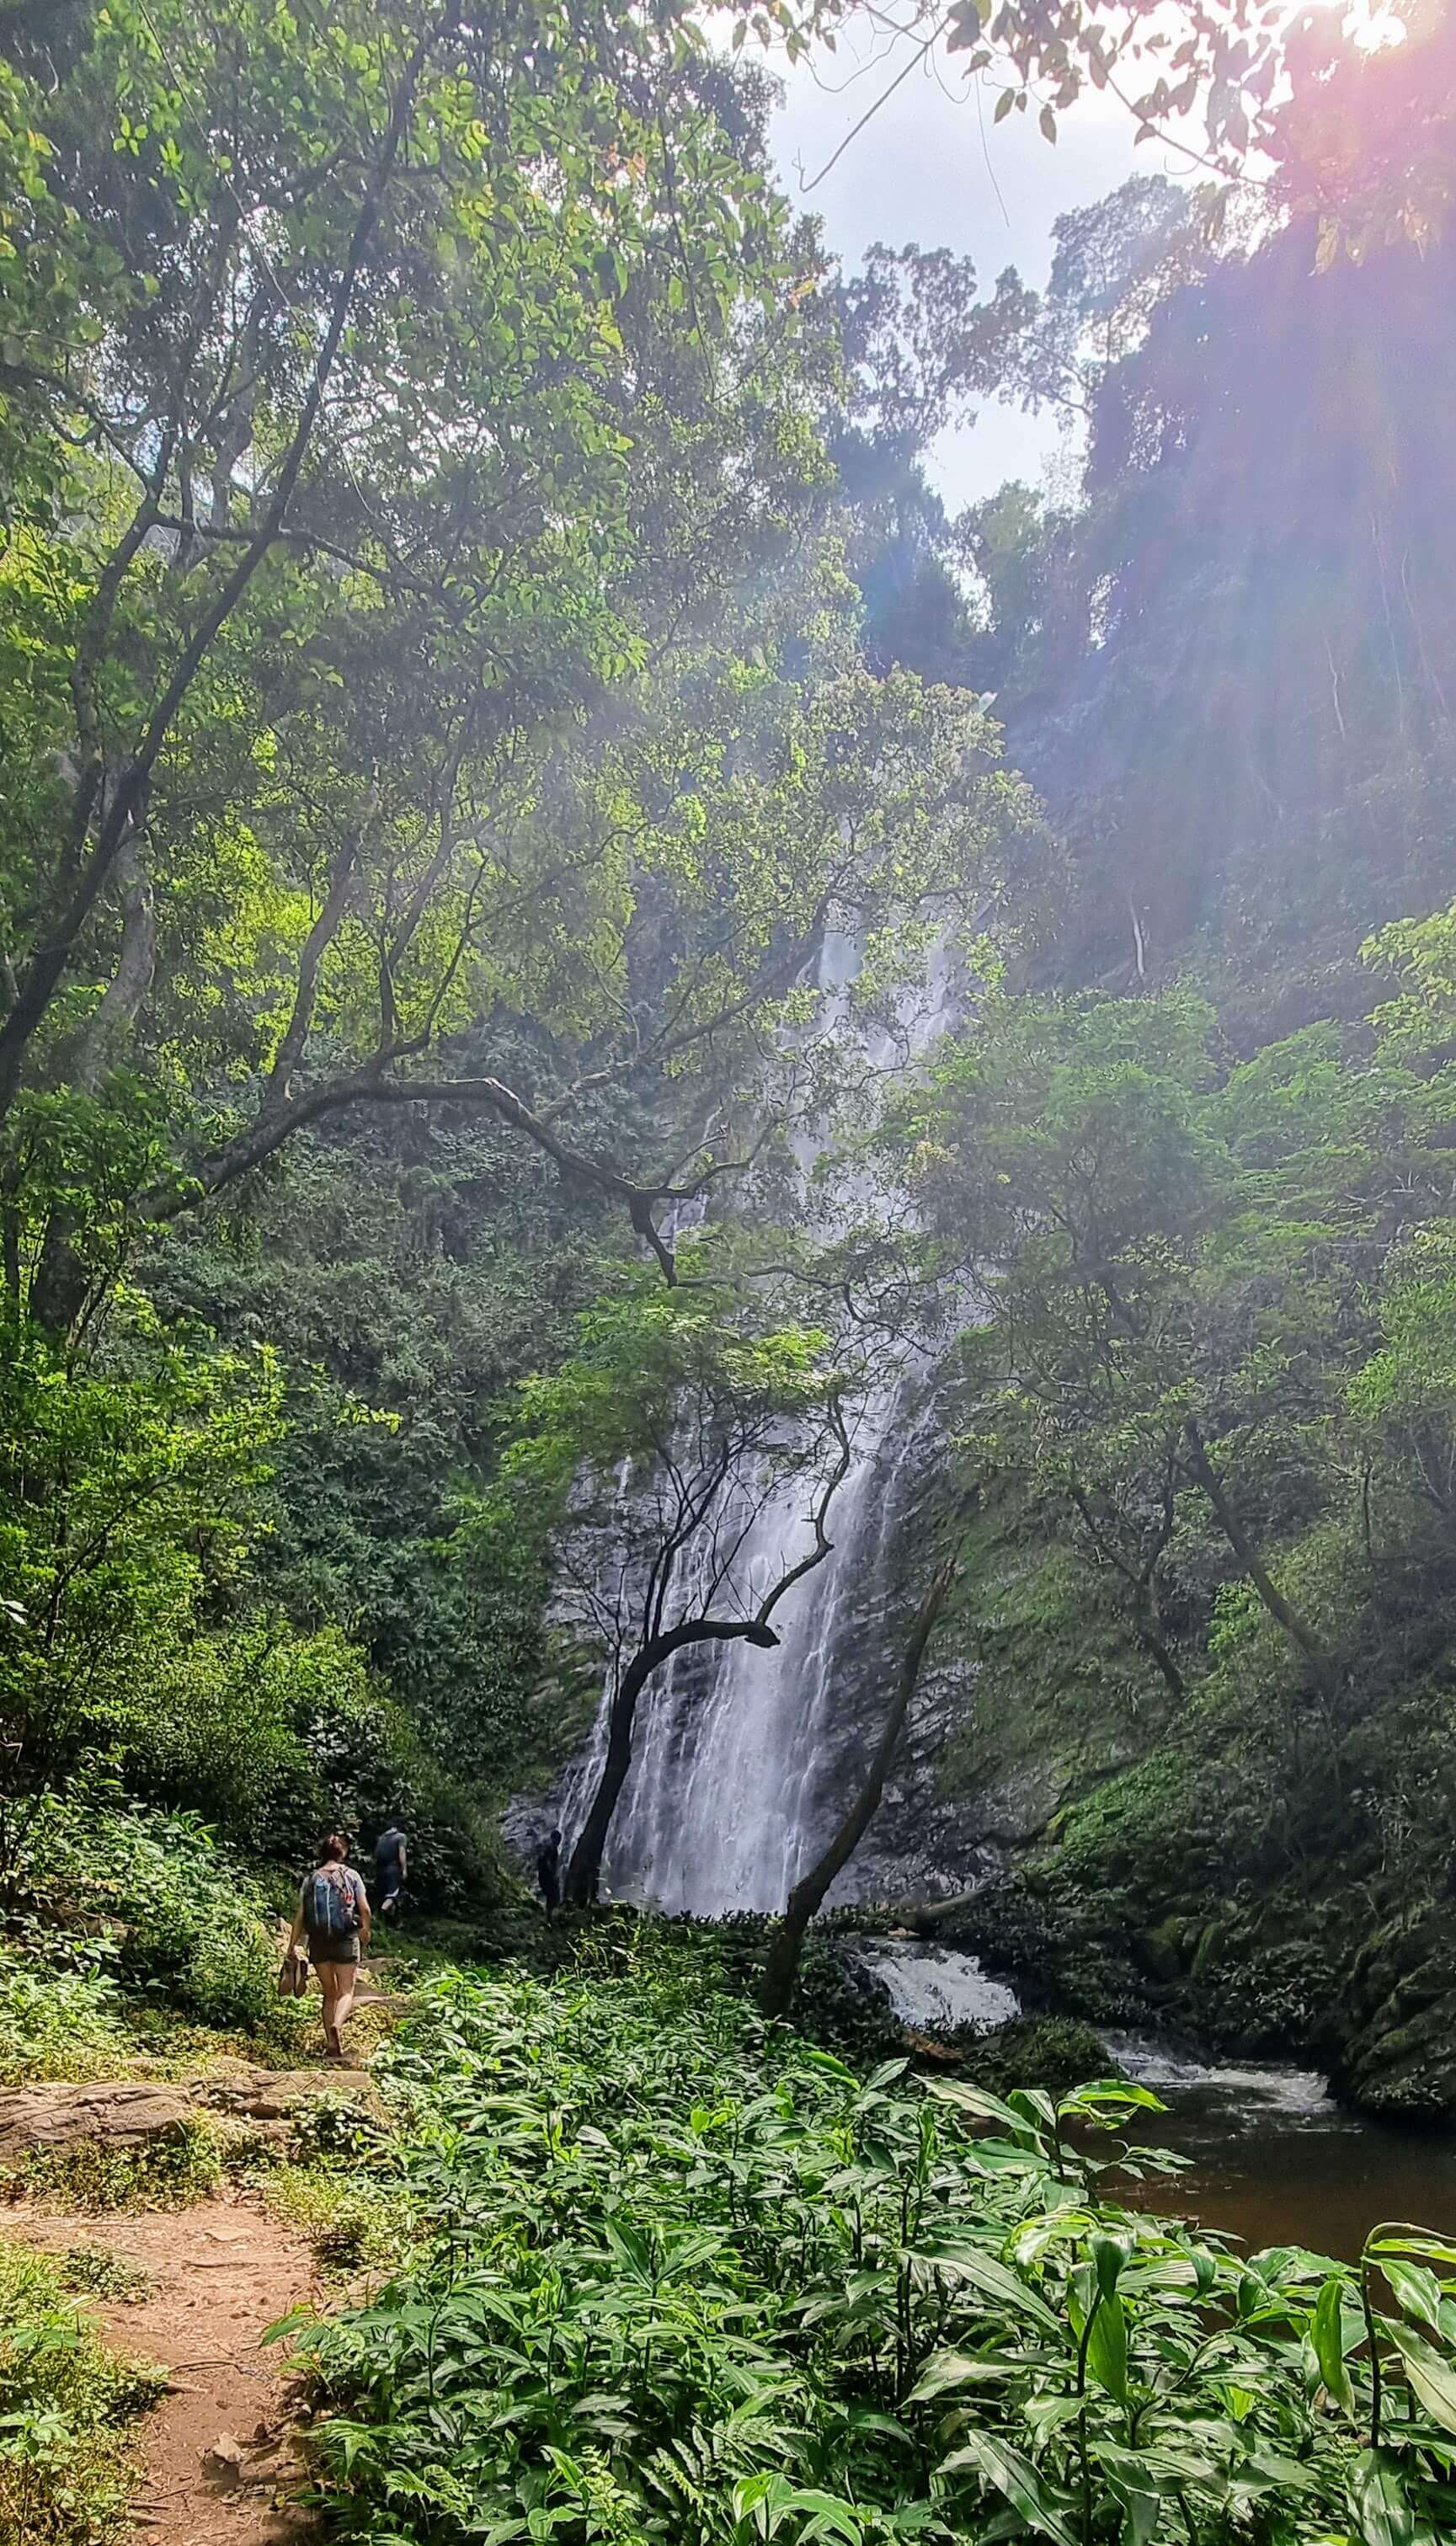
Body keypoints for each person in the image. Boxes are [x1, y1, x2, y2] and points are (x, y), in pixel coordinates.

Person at [287, 1834, 370, 2061]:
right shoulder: (352, 1875)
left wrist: (291, 1947)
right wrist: (365, 1930)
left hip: (319, 1943)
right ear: (342, 1853)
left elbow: (301, 1917)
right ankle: (337, 2025)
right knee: (346, 1991)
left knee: (329, 1994)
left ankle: (331, 2044)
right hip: (345, 1939)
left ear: (322, 1853)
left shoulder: (311, 1879)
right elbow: (365, 1909)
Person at [374, 1820, 408, 1921]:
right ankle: (379, 1916)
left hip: (380, 1870)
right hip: (393, 1869)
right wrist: (404, 1869)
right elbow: (402, 1853)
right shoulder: (401, 1837)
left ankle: (386, 1920)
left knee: (384, 1895)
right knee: (392, 1896)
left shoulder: (382, 1838)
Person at [536, 1827, 562, 1917]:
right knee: (554, 1896)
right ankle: (549, 1916)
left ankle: (548, 1915)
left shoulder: (548, 1847)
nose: (558, 1842)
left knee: (551, 1896)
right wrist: (553, 1875)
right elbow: (548, 1862)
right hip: (547, 1876)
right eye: (558, 1840)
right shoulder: (551, 1848)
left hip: (543, 1875)